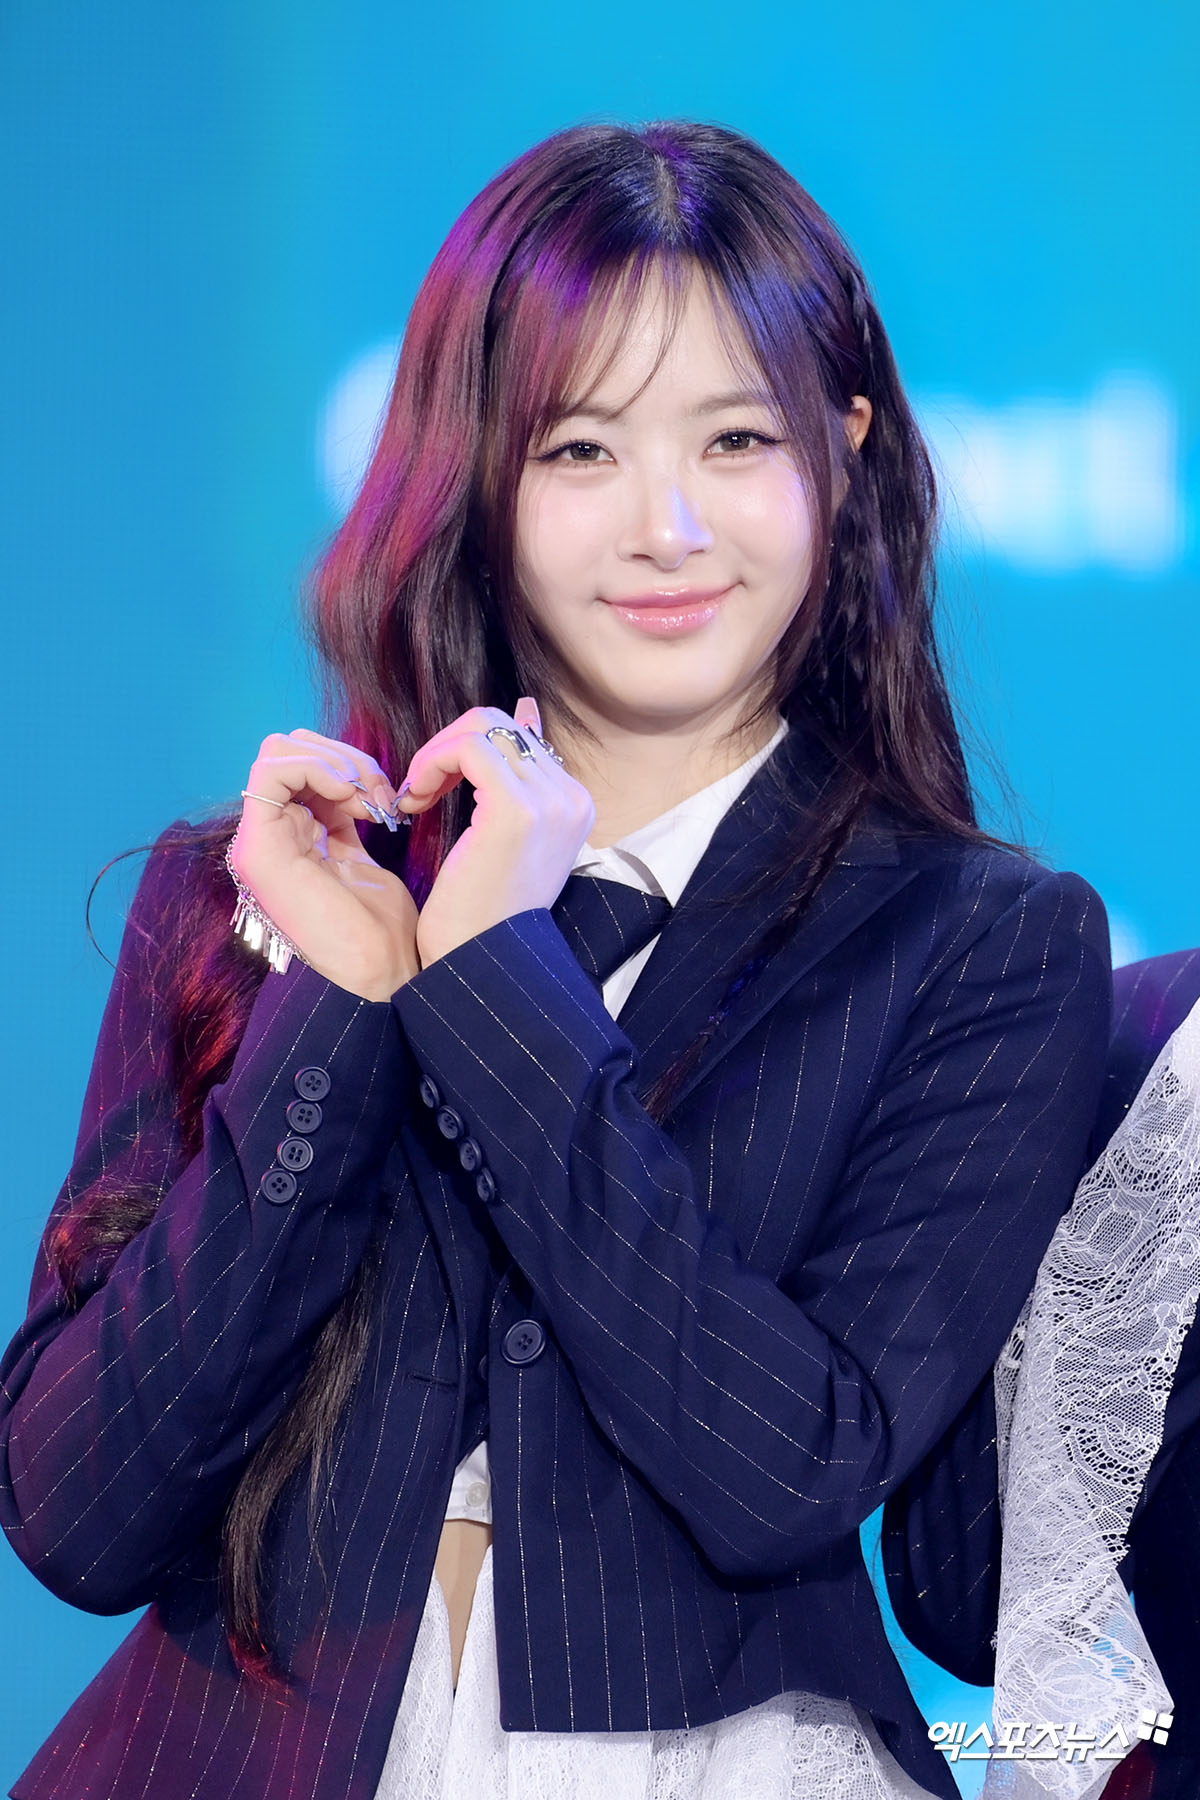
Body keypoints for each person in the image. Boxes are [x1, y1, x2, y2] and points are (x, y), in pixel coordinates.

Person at [0, 121, 1111, 1800]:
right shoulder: (263, 891)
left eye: (736, 439)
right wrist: (344, 1009)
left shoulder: (982, 943)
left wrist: (497, 987)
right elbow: (79, 1515)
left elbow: (788, 1471)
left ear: (845, 447)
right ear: (476, 474)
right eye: (581, 449)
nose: (667, 527)